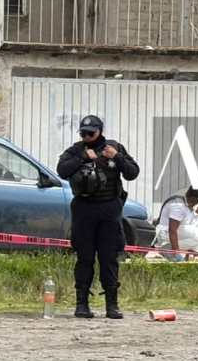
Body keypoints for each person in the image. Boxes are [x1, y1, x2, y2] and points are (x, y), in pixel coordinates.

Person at [57, 115, 139, 320]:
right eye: (83, 133)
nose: (87, 136)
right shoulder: (76, 150)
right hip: (84, 209)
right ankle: (82, 304)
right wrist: (83, 158)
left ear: (100, 131)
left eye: (90, 133)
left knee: (109, 257)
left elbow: (132, 172)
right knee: (84, 258)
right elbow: (61, 170)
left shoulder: (113, 148)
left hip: (109, 209)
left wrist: (117, 157)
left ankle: (112, 304)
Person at [154, 188, 198, 261]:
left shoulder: (191, 203)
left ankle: (193, 254)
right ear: (187, 195)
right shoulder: (178, 206)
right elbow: (172, 230)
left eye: (195, 202)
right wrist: (176, 253)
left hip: (180, 229)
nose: (193, 204)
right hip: (164, 234)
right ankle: (165, 247)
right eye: (192, 201)